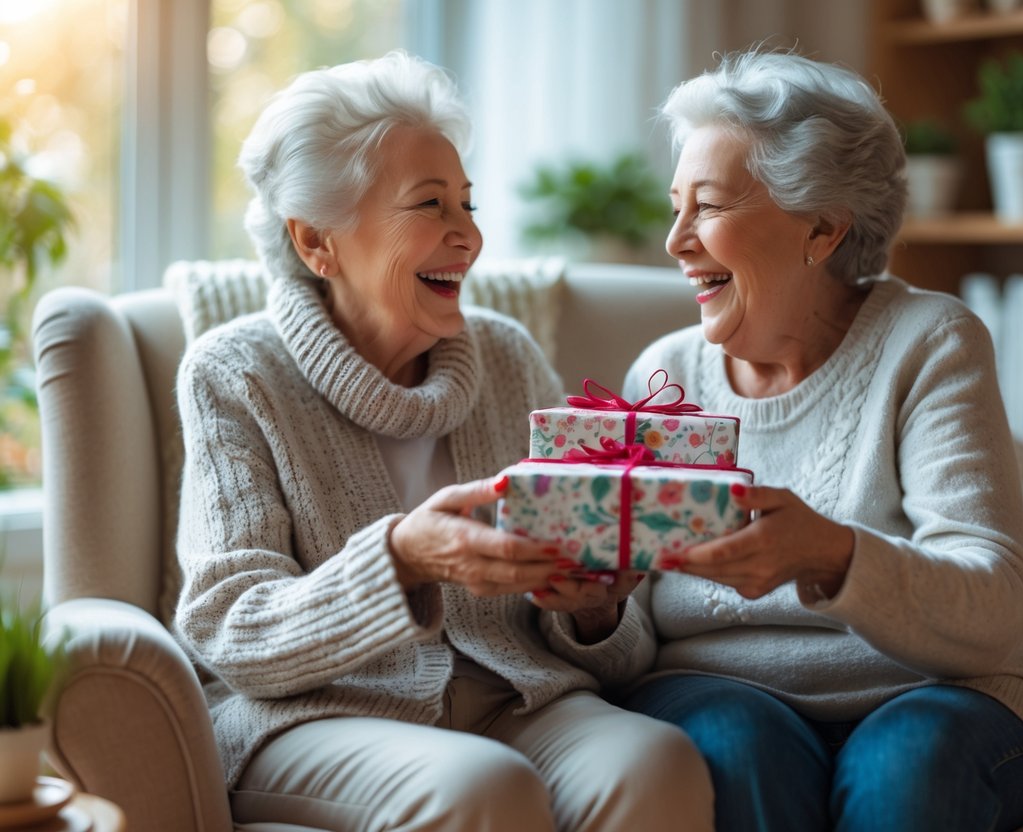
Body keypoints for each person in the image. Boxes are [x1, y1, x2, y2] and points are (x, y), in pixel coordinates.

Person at [172, 51, 710, 832]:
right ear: (317, 241)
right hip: (316, 717)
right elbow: (232, 630)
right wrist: (401, 560)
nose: (467, 236)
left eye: (468, 203)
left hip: (513, 697)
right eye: (430, 206)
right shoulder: (233, 373)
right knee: (483, 787)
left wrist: (593, 611)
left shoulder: (507, 354)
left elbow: (617, 651)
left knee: (655, 763)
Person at [611, 49, 1023, 832]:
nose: (675, 240)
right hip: (717, 688)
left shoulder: (929, 342)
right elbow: (631, 630)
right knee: (731, 743)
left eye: (709, 208)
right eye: (674, 206)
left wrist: (830, 554)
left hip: (937, 697)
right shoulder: (665, 377)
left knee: (905, 764)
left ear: (822, 228)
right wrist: (594, 611)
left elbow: (993, 603)